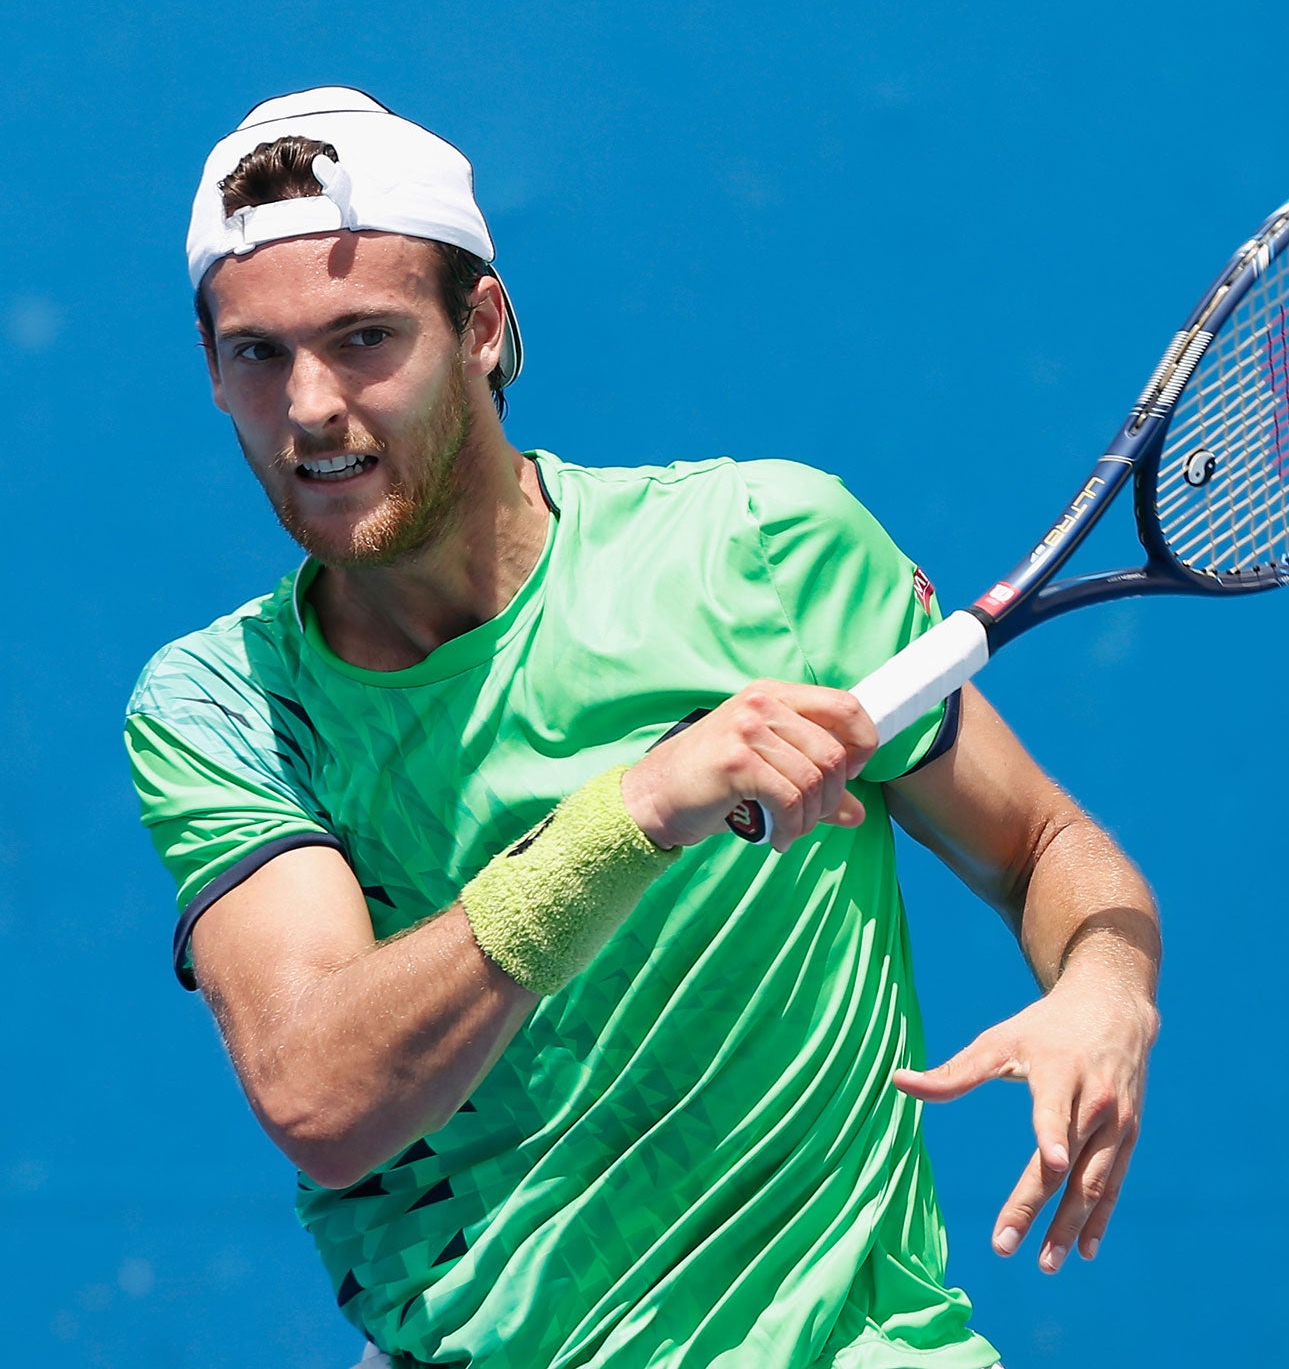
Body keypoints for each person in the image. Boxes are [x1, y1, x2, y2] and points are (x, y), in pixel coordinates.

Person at [124, 88, 1162, 1369]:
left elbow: (1041, 843)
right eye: (257, 355)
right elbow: (321, 1095)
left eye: (365, 338)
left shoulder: (765, 554)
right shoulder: (225, 704)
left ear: (482, 329)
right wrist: (630, 815)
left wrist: (1105, 989)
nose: (312, 406)